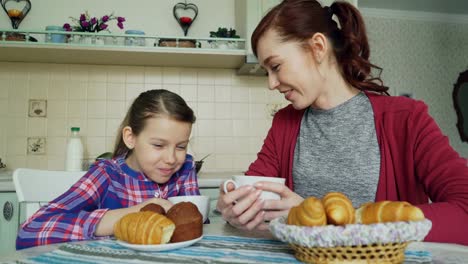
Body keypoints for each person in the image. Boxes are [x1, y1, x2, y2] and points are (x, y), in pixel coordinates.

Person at [216, 0, 468, 245]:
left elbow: (464, 210)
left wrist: (323, 219)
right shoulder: (284, 124)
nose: (271, 83)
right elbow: (251, 198)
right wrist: (234, 208)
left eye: (276, 66)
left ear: (317, 47)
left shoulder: (406, 119)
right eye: (266, 72)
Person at [17, 89, 200, 249]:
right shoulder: (106, 174)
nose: (171, 159)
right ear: (130, 137)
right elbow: (30, 231)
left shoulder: (184, 168)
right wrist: (135, 213)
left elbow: (199, 231)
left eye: (181, 147)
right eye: (159, 145)